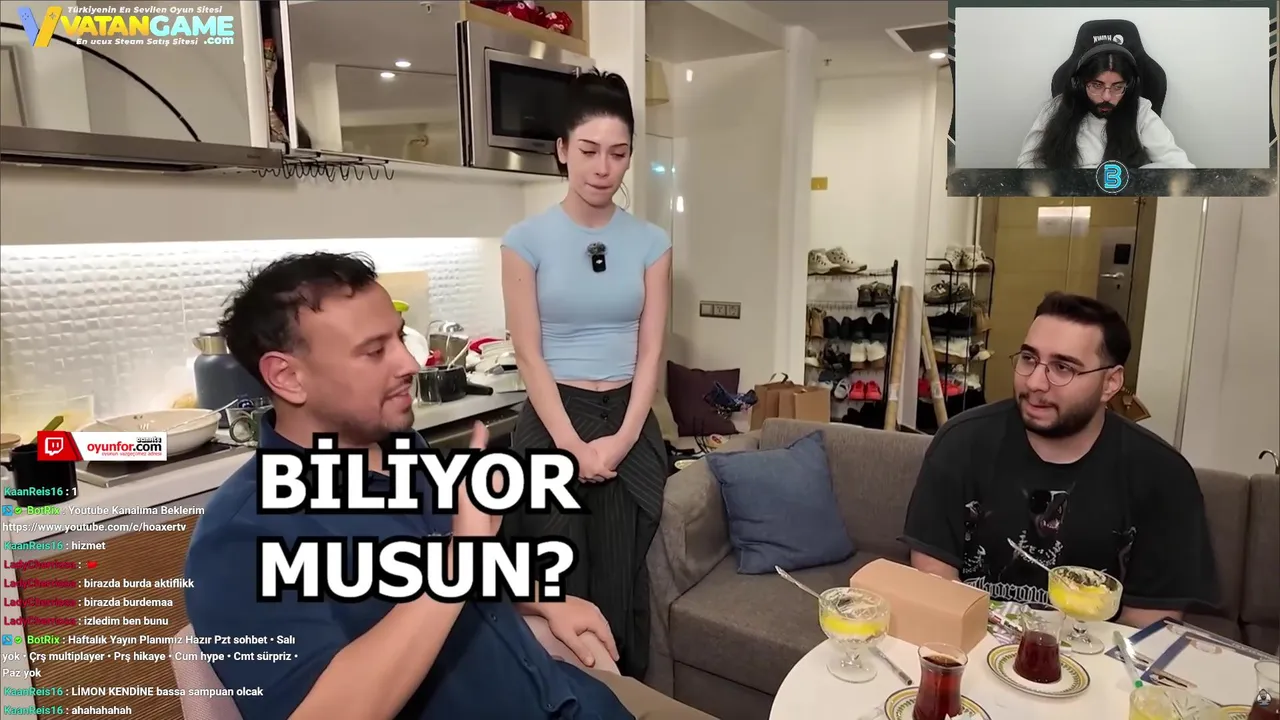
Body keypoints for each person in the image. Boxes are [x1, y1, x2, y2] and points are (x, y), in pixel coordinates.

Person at [183, 252, 710, 719]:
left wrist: (539, 598)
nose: (409, 364)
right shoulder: (242, 537)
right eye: (374, 351)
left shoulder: (402, 450)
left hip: (571, 699)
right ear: (287, 377)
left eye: (399, 337)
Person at [901, 292, 1220, 627]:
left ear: (1110, 383)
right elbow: (933, 579)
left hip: (1095, 656)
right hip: (976, 644)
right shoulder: (961, 442)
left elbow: (1147, 625)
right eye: (1029, 359)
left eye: (1063, 367)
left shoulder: (1163, 475)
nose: (1035, 382)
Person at [500, 69, 672, 679]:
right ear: (562, 150)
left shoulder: (651, 241)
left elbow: (651, 352)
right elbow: (529, 354)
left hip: (628, 418)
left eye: (618, 154)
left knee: (626, 573)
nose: (604, 168)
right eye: (590, 150)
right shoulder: (524, 240)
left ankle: (625, 698)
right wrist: (572, 447)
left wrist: (620, 441)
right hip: (555, 420)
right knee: (555, 572)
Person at [1016, 43, 1194, 170]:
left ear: (1129, 87)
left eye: (1118, 87)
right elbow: (1027, 164)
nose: (1107, 97)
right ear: (1080, 84)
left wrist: (1136, 178)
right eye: (1096, 85)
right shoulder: (1056, 108)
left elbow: (1179, 165)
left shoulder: (1141, 111)